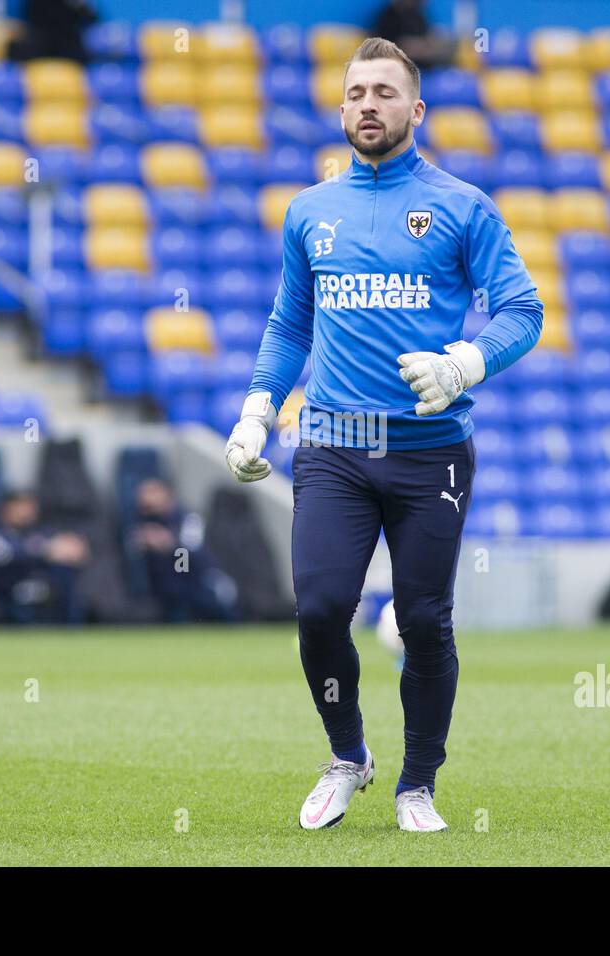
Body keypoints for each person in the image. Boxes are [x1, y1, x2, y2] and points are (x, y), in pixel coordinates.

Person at [224, 38, 543, 832]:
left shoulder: (463, 206)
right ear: (341, 110)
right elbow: (289, 323)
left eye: (385, 92)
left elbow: (523, 311)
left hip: (428, 448)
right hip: (331, 443)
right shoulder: (310, 212)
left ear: (416, 110)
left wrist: (465, 362)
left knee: (426, 619)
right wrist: (258, 409)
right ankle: (348, 757)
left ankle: (417, 785)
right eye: (356, 92)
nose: (368, 104)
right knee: (322, 609)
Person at [129, 478, 240, 623]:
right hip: (161, 594)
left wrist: (169, 543)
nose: (146, 498)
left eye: (152, 491)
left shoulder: (188, 520)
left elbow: (192, 559)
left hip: (197, 586)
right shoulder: (139, 522)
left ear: (167, 494)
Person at [0, 490, 90, 625]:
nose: (27, 511)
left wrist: (71, 550)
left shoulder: (40, 533)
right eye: (21, 506)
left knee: (64, 575)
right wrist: (44, 552)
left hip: (44, 584)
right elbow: (7, 558)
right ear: (6, 509)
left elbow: (65, 550)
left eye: (30, 506)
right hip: (8, 590)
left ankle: (73, 629)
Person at [370, 0, 455, 71]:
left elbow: (428, 44)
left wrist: (428, 47)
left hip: (424, 72)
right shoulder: (389, 16)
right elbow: (386, 48)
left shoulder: (418, 16)